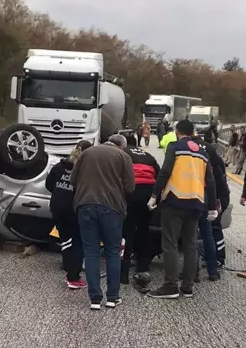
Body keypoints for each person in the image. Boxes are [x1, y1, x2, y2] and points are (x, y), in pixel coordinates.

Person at [147, 120, 217, 299]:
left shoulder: (175, 146)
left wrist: (154, 195)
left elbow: (165, 171)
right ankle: (187, 286)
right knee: (190, 244)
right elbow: (210, 180)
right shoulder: (202, 151)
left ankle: (170, 286)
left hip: (175, 200)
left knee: (169, 243)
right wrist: (211, 207)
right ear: (192, 132)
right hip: (196, 202)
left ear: (177, 131)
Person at [71, 134, 135, 310]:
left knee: (90, 252)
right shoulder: (123, 157)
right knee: (113, 252)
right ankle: (112, 297)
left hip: (84, 206)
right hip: (111, 208)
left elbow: (72, 179)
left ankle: (95, 299)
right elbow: (130, 187)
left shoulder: (87, 153)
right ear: (121, 146)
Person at [46, 140, 92, 289]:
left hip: (57, 208)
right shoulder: (84, 170)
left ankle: (68, 269)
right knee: (78, 242)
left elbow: (49, 185)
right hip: (74, 209)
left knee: (65, 239)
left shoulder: (58, 167)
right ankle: (73, 277)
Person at [121, 133, 160, 288]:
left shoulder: (123, 153)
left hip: (131, 193)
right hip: (148, 194)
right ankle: (143, 266)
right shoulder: (148, 156)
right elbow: (159, 175)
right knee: (144, 229)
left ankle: (123, 269)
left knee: (127, 229)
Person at [201, 130, 230, 269]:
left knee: (214, 227)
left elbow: (214, 185)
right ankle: (211, 256)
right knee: (209, 228)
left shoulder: (210, 165)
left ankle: (219, 258)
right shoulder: (214, 158)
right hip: (218, 196)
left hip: (218, 197)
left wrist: (214, 204)